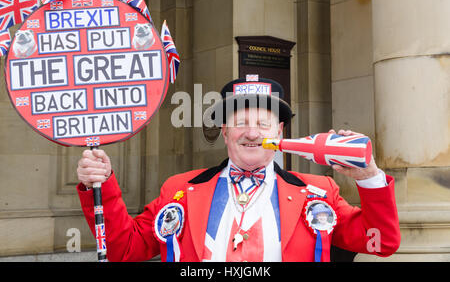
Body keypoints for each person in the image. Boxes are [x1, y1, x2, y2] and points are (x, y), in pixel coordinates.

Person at [76, 76, 401, 262]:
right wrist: (101, 185)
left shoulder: (318, 192)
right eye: (240, 122)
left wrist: (369, 176)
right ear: (225, 131)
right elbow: (124, 250)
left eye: (263, 123)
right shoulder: (178, 189)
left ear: (280, 133)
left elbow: (382, 242)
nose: (252, 133)